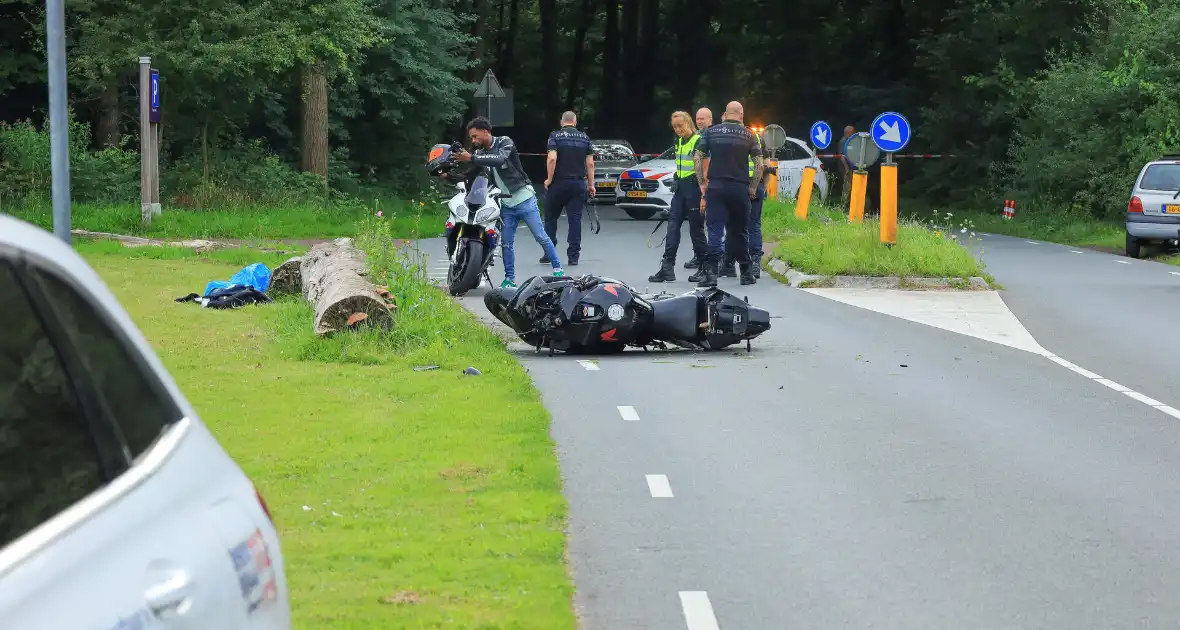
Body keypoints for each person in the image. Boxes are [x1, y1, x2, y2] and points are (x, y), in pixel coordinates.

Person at [452, 116, 564, 288]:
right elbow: (468, 175)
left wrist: (472, 158)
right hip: (506, 204)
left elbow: (499, 159)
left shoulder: (505, 142)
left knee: (540, 235)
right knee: (506, 242)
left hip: (524, 198)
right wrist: (448, 175)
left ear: (486, 132)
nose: (473, 141)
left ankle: (558, 269)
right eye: (472, 138)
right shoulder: (480, 154)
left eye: (475, 136)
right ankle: (509, 279)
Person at [693, 101, 762, 287]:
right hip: (739, 188)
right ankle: (746, 273)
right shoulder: (749, 134)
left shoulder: (711, 131)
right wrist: (753, 187)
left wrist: (702, 184)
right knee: (739, 231)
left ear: (725, 113)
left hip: (716, 187)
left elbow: (698, 157)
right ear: (741, 115)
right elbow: (759, 164)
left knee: (715, 229)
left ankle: (711, 274)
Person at [647, 111, 707, 283]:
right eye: (674, 127)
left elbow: (704, 168)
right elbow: (682, 165)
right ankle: (667, 268)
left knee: (696, 230)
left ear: (689, 123)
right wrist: (676, 178)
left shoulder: (699, 140)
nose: (678, 129)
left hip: (695, 188)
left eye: (680, 125)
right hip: (681, 189)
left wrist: (704, 193)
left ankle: (704, 267)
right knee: (672, 227)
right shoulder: (680, 142)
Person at [540, 111, 595, 266]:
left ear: (561, 122)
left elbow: (552, 158)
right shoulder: (585, 138)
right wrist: (590, 185)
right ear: (575, 122)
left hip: (558, 183)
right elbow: (590, 164)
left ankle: (549, 252)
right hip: (578, 184)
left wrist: (549, 179)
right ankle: (573, 256)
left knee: (551, 218)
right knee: (575, 220)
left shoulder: (555, 137)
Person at [682, 107, 714, 275]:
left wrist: (705, 189)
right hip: (696, 186)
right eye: (698, 119)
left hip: (709, 185)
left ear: (710, 120)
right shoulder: (697, 137)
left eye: (703, 119)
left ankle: (712, 258)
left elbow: (707, 163)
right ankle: (700, 255)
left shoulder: (711, 137)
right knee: (698, 224)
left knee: (709, 224)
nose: (700, 121)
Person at [839, 124, 855, 210]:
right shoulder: (843, 141)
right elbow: (842, 157)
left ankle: (849, 205)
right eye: (852, 133)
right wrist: (847, 170)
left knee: (851, 188)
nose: (853, 134)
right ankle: (843, 206)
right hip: (846, 169)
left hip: (851, 168)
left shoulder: (850, 141)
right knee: (847, 188)